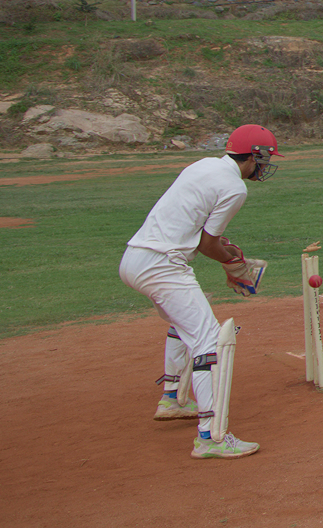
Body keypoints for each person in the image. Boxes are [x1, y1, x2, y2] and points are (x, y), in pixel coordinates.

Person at [118, 124, 281, 460]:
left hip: (135, 259)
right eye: (263, 158)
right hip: (162, 267)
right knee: (210, 341)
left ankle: (172, 399)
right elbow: (208, 244)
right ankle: (211, 436)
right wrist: (234, 266)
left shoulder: (203, 165)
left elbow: (203, 234)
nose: (263, 166)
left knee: (186, 320)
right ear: (254, 156)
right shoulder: (235, 188)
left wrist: (230, 259)